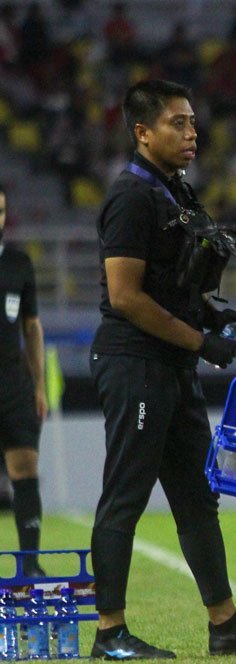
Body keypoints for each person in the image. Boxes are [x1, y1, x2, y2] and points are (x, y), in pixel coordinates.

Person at [89, 80, 236, 659]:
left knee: (195, 496)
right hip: (135, 361)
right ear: (142, 132)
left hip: (169, 362)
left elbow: (175, 283)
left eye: (192, 122)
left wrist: (215, 317)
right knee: (125, 495)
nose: (192, 133)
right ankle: (109, 633)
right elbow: (125, 297)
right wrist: (201, 341)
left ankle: (225, 623)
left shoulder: (176, 192)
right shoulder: (132, 197)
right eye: (177, 124)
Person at [0, 182, 48, 578]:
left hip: (12, 381)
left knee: (25, 469)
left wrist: (39, 386)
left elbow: (32, 327)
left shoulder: (18, 263)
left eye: (1, 212)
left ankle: (30, 564)